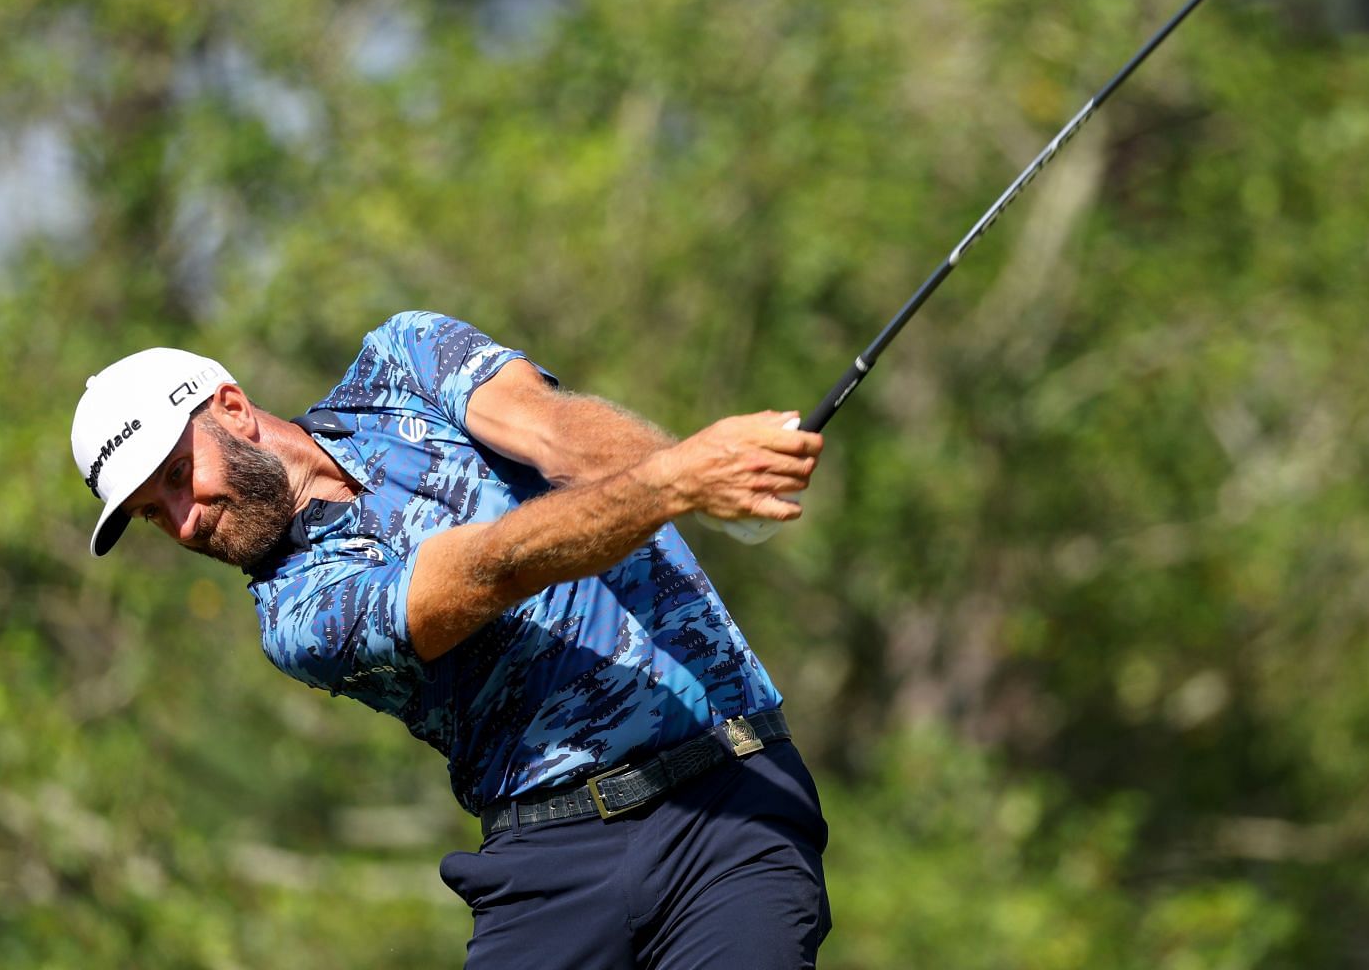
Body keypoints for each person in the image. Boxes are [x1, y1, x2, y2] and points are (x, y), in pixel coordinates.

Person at [69, 311, 831, 968]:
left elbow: (557, 434)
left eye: (176, 475)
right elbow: (489, 570)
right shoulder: (298, 617)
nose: (183, 520)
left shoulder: (402, 359)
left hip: (731, 800)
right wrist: (675, 483)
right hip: (549, 866)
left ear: (231, 408)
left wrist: (713, 478)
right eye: (151, 514)